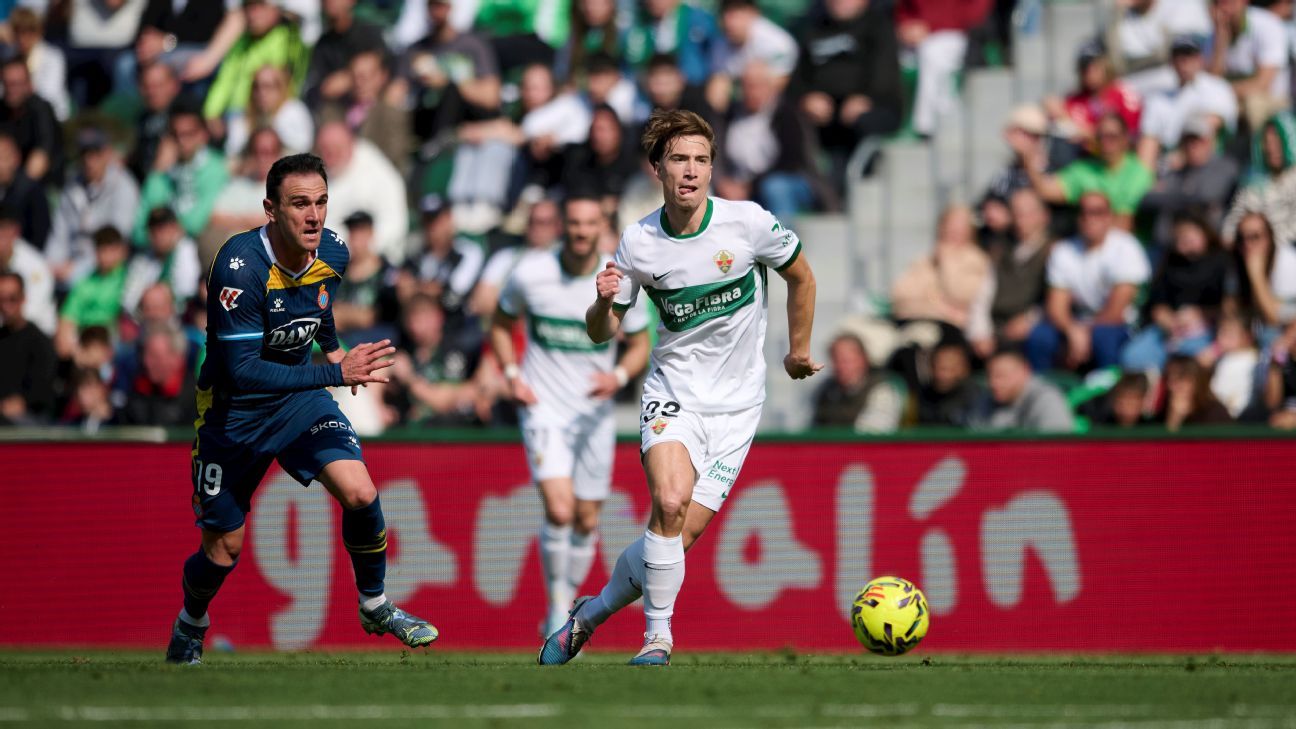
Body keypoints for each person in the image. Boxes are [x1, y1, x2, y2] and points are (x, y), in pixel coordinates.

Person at [539, 109, 820, 666]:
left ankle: (588, 615)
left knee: (674, 539)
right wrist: (600, 300)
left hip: (738, 408)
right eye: (678, 160)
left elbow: (801, 275)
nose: (690, 171)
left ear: (712, 168)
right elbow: (602, 333)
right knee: (667, 502)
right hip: (674, 393)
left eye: (700, 160)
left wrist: (798, 349)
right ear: (657, 169)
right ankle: (658, 638)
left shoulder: (747, 224)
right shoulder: (639, 242)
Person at [166, 153, 438, 665]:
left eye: (321, 203)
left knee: (360, 490)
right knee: (223, 550)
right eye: (299, 204)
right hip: (234, 415)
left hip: (299, 401)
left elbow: (319, 305)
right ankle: (190, 623)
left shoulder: (332, 251)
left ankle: (375, 603)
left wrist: (332, 349)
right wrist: (337, 371)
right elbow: (243, 370)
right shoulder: (238, 267)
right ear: (271, 209)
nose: (314, 216)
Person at [490, 195, 651, 636]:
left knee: (585, 518)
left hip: (593, 414)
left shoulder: (618, 280)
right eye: (574, 222)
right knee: (560, 510)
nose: (581, 231)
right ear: (563, 224)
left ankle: (567, 601)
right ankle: (559, 604)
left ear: (602, 226)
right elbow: (501, 324)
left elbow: (640, 343)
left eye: (590, 223)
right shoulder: (530, 273)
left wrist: (617, 377)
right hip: (543, 409)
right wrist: (510, 373)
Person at [1026, 191, 1150, 372]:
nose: (1089, 218)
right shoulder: (1064, 250)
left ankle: (1107, 395)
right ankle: (1045, 391)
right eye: (1083, 212)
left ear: (1109, 216)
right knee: (1040, 337)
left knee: (1103, 337)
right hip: (1078, 321)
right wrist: (1072, 330)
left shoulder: (1126, 247)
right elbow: (1056, 306)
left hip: (1121, 325)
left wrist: (1084, 332)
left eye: (1097, 212)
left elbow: (1116, 311)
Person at [1121, 214, 1229, 371]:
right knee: (1133, 356)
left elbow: (1231, 308)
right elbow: (1157, 303)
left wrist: (1202, 315)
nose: (1185, 240)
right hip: (1170, 330)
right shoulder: (1170, 263)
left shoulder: (1223, 262)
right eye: (1180, 237)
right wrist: (1168, 320)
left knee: (1189, 364)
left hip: (1207, 329)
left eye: (1189, 234)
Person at [1014, 112, 1154, 231]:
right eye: (1101, 137)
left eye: (1112, 136)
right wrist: (1028, 154)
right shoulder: (1084, 170)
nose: (1106, 142)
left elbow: (1124, 225)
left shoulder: (1138, 172)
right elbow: (1045, 190)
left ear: (1125, 139)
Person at [47, 127, 141, 291]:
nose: (89, 160)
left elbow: (115, 243)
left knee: (72, 281)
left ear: (108, 153)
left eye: (96, 153)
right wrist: (53, 264)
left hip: (104, 266)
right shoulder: (72, 184)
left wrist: (75, 267)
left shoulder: (124, 186)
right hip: (68, 263)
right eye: (84, 154)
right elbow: (58, 235)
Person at [135, 100, 229, 246]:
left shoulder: (215, 168)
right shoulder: (161, 174)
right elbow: (138, 231)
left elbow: (196, 222)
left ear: (203, 134)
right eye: (176, 134)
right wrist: (158, 172)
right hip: (156, 253)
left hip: (195, 249)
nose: (182, 141)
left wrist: (164, 233)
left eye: (188, 134)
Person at [1209, 0, 1290, 130]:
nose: (1223, 8)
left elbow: (1263, 84)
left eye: (1229, 2)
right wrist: (1220, 42)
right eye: (1218, 2)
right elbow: (1211, 82)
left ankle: (1259, 149)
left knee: (1253, 103)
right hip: (1235, 99)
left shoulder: (1267, 24)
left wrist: (1222, 92)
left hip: (1276, 99)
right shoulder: (1214, 32)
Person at [810, 330, 902, 432]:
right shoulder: (826, 390)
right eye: (836, 360)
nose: (840, 367)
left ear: (863, 360)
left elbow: (873, 434)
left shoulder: (881, 390)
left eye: (846, 361)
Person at [0, 272, 56, 425]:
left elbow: (42, 391)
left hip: (31, 420)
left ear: (23, 298)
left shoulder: (40, 342)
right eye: (1, 299)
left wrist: (23, 402)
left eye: (12, 298)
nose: (6, 306)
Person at [977, 347, 1075, 432]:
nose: (993, 383)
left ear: (1025, 371)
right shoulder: (985, 399)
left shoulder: (1048, 399)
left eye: (1001, 376)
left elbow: (1056, 448)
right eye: (989, 376)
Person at [1158, 353, 1233, 430]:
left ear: (1196, 380)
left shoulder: (1216, 412)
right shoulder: (1161, 411)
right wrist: (1175, 416)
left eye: (1182, 377)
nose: (1176, 385)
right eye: (1170, 379)